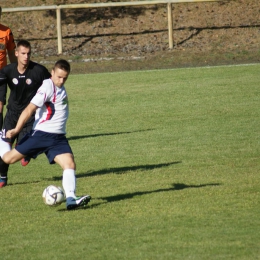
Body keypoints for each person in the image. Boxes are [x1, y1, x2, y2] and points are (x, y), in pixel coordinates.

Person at [0, 59, 91, 210]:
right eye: (59, 77)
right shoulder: (48, 86)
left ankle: (71, 199)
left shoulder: (59, 87)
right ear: (52, 73)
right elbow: (29, 109)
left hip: (58, 138)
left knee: (69, 164)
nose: (61, 81)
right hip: (42, 135)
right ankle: (2, 139)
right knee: (9, 159)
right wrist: (16, 130)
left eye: (65, 78)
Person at [0, 39, 51, 188]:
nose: (26, 57)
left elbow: (51, 86)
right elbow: (1, 93)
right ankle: (3, 176)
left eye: (28, 54)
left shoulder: (39, 71)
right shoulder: (7, 71)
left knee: (23, 150)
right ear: (16, 54)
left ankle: (27, 151)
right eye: (23, 53)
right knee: (4, 149)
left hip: (30, 116)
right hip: (12, 115)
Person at [0, 6, 17, 131]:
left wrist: (16, 70)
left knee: (0, 106)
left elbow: (11, 53)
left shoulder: (6, 31)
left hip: (1, 74)